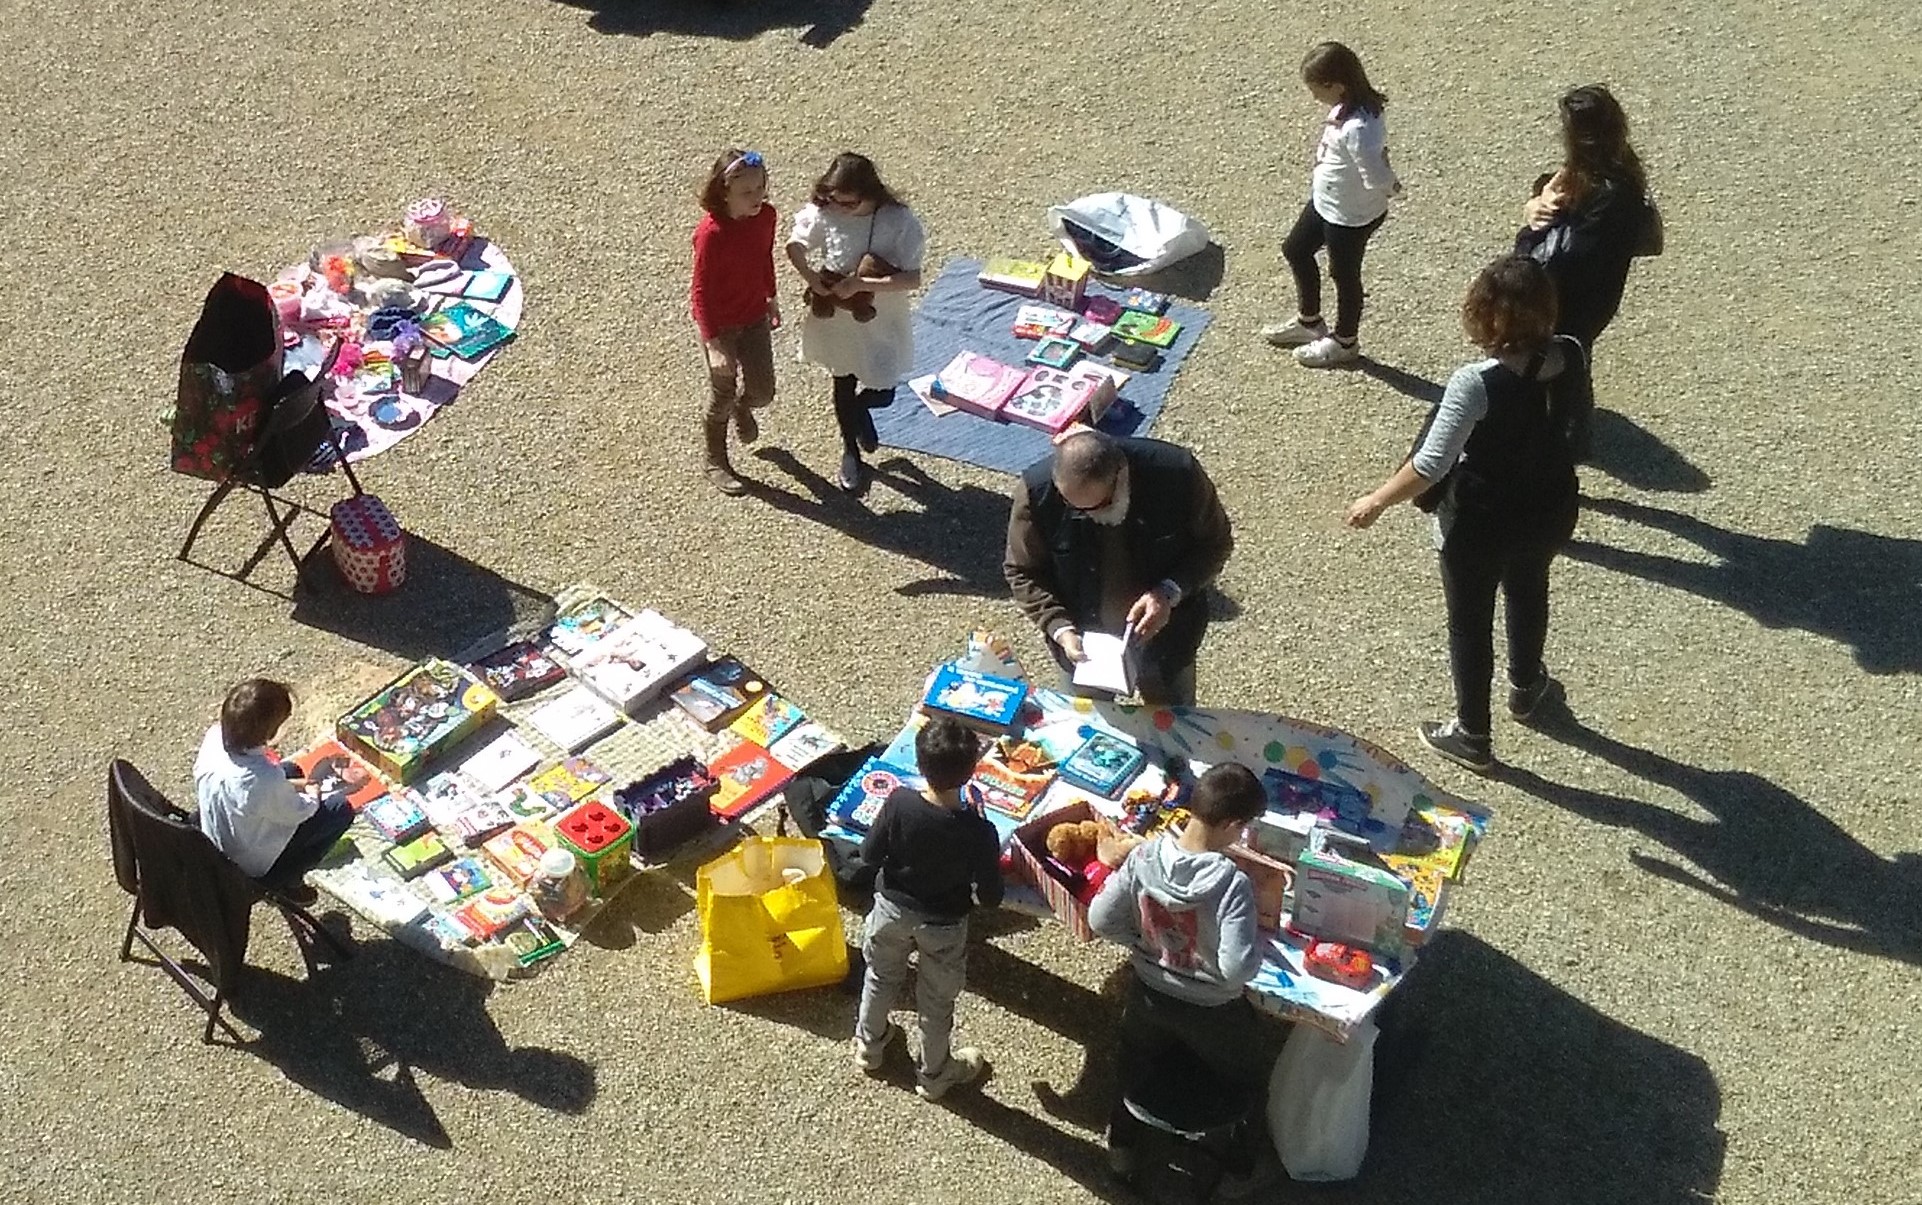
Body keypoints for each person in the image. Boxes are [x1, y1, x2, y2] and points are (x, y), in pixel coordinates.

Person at [1343, 255, 1584, 772]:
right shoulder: (1571, 352)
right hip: (1549, 507)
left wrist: (1376, 500)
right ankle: (1526, 686)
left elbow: (1431, 464)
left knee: (1470, 625)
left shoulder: (1475, 382)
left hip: (1481, 522)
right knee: (1529, 587)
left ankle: (1473, 734)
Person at [1088, 763, 1268, 1183]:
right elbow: (1236, 969)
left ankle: (1122, 1148)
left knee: (1135, 1064)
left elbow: (1100, 919)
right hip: (1212, 1011)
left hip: (1148, 996)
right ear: (1232, 825)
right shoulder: (1231, 884)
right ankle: (1239, 1168)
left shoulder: (1144, 856)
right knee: (1248, 1072)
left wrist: (1143, 944)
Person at [1004, 430, 1234, 707]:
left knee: (1174, 723)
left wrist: (1168, 592)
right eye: (1073, 507)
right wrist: (1060, 628)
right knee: (1087, 723)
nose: (1087, 515)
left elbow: (1215, 544)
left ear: (1122, 474)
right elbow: (1022, 571)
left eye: (1100, 505)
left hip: (1167, 643)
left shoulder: (1177, 475)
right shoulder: (1036, 492)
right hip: (1085, 651)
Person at [852, 715, 1003, 1101]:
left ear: (919, 764)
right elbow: (991, 896)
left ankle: (869, 1047)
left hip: (891, 911)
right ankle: (934, 1074)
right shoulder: (979, 831)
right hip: (943, 925)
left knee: (880, 977)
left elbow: (869, 854)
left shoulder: (899, 802)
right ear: (971, 771)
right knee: (935, 1003)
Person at [785, 153, 926, 493]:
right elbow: (795, 245)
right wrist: (812, 279)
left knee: (884, 387)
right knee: (843, 381)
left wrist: (862, 284)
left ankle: (861, 411)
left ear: (870, 193)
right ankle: (850, 451)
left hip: (880, 318)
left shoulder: (899, 221)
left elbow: (912, 278)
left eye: (849, 202)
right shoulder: (827, 211)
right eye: (835, 200)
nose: (841, 208)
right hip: (839, 320)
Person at [1261, 41, 1399, 368]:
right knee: (1296, 249)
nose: (1313, 96)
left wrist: (1393, 188)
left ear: (1336, 85)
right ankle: (1310, 322)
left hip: (1349, 215)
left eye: (1315, 89)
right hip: (1327, 202)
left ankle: (1345, 342)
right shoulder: (1347, 106)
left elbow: (1376, 174)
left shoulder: (1359, 128)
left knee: (1344, 276)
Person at [1515, 84, 1653, 352]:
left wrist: (1531, 231)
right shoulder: (1617, 176)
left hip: (1563, 317)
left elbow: (1552, 261)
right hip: (1581, 316)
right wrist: (1537, 202)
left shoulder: (1610, 196)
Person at [193, 679, 353, 904]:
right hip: (247, 862)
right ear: (269, 731)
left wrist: (290, 784)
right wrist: (313, 793)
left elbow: (254, 793)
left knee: (290, 769)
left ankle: (289, 880)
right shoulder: (261, 779)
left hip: (218, 835)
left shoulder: (214, 738)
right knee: (340, 809)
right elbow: (300, 812)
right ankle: (289, 880)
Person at [690, 148, 782, 496]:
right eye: (747, 192)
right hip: (721, 325)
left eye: (760, 188)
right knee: (721, 393)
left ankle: (743, 408)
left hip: (753, 315)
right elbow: (700, 291)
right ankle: (715, 460)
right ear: (724, 192)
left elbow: (764, 257)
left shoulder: (766, 217)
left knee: (763, 391)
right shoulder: (711, 234)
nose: (757, 197)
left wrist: (770, 296)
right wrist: (713, 344)